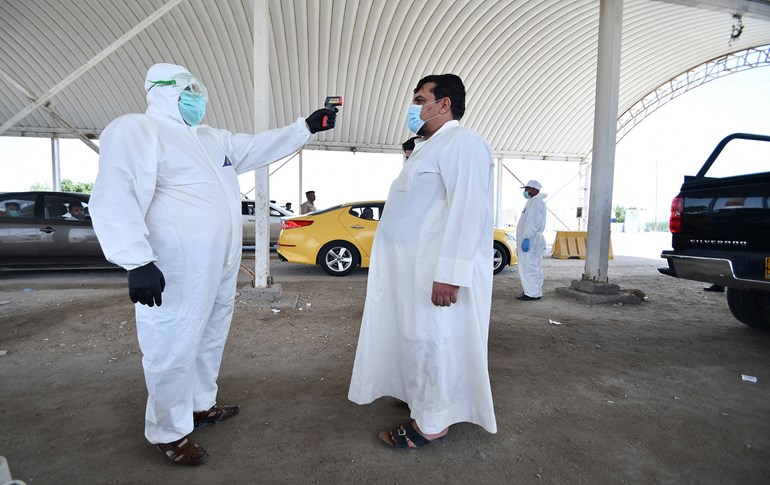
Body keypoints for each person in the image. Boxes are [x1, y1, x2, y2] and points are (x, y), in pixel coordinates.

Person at [88, 62, 336, 466]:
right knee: (171, 344)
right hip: (175, 267)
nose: (197, 96)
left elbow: (256, 146)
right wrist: (136, 261)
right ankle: (168, 431)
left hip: (219, 265)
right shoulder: (138, 129)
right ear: (162, 90)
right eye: (188, 88)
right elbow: (116, 192)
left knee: (209, 336)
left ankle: (200, 405)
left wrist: (305, 127)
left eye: (198, 89)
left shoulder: (209, 137)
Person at [348, 74, 497, 449]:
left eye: (420, 99)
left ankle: (432, 423)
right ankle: (420, 399)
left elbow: (468, 209)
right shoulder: (428, 147)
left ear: (443, 104)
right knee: (415, 339)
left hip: (436, 272)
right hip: (410, 272)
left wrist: (450, 273)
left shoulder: (464, 143)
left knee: (436, 341)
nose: (414, 107)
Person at [516, 179, 548, 301]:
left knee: (528, 267)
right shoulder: (534, 201)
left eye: (527, 189)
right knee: (534, 266)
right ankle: (534, 291)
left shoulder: (535, 202)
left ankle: (531, 293)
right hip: (533, 239)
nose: (525, 191)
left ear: (535, 190)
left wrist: (527, 238)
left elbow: (532, 223)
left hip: (531, 240)